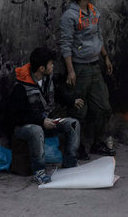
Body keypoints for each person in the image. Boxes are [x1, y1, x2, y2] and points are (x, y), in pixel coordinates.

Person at [9, 47, 83, 185]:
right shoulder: (20, 87)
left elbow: (57, 94)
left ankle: (70, 162)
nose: (53, 66)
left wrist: (72, 101)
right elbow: (17, 116)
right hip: (25, 128)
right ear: (42, 68)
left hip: (45, 121)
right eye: (51, 64)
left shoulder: (48, 79)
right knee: (36, 130)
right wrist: (41, 121)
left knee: (73, 124)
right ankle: (39, 171)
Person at [60, 0, 116, 157]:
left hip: (95, 66)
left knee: (103, 107)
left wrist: (105, 57)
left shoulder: (94, 11)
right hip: (80, 68)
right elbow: (66, 44)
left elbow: (98, 36)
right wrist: (70, 71)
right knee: (79, 110)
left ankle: (98, 143)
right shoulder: (69, 16)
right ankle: (76, 147)